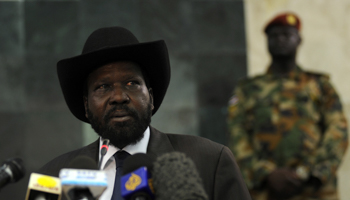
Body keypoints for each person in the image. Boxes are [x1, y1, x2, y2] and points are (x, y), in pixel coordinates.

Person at [37, 26, 251, 200]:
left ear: (150, 97)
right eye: (103, 87)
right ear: (86, 105)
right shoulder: (53, 177)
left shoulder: (210, 161)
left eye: (132, 83)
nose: (119, 96)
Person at [227, 12, 348, 200]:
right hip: (265, 191)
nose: (280, 40)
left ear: (299, 40)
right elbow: (236, 134)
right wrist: (266, 174)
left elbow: (338, 131)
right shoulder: (247, 89)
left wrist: (305, 172)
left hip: (314, 190)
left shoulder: (320, 85)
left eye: (287, 35)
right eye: (274, 36)